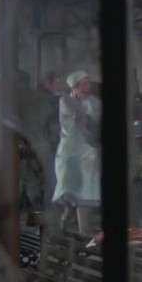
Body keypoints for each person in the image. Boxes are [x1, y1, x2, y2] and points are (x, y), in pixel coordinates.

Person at [52, 70, 102, 234]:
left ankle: (83, 231)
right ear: (74, 86)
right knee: (67, 187)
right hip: (69, 150)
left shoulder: (94, 102)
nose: (87, 87)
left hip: (88, 151)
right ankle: (65, 216)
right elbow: (78, 117)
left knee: (85, 191)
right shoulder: (65, 100)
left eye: (88, 84)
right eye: (83, 84)